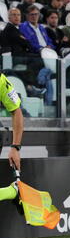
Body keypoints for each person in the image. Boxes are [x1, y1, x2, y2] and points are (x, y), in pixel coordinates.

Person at [0, 73, 24, 202]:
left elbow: (16, 111)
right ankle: (12, 191)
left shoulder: (1, 80)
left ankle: (13, 191)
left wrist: (15, 147)